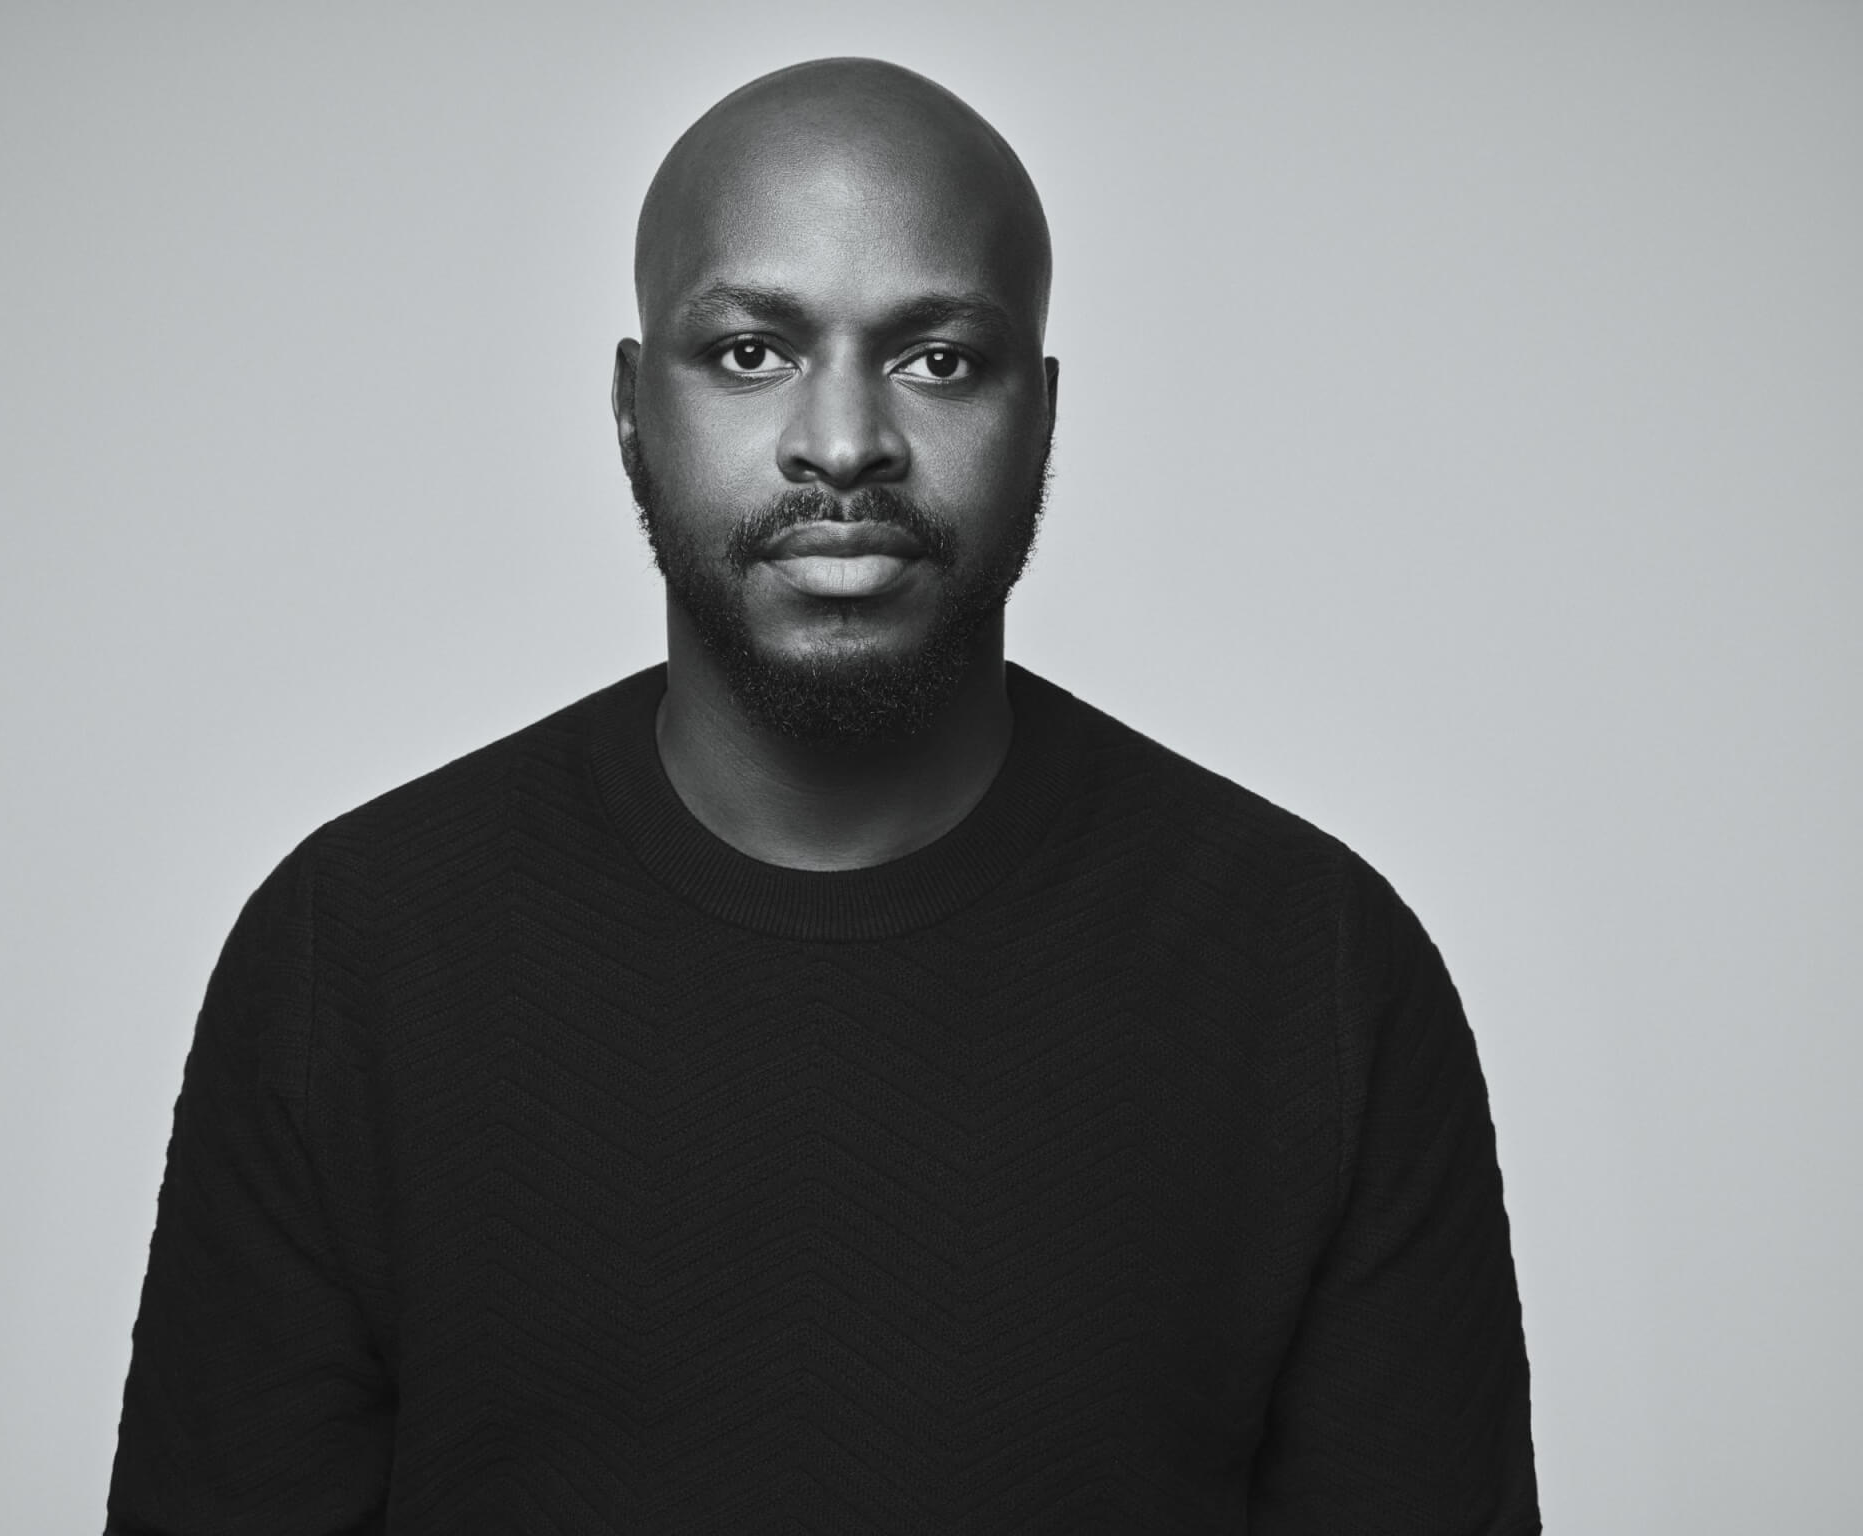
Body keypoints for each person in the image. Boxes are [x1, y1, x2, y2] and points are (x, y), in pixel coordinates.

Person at [106, 57, 1540, 1535]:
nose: (844, 443)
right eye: (750, 352)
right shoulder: (356, 951)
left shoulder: (1313, 971)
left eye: (939, 360)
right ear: (630, 408)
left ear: (1042, 416)